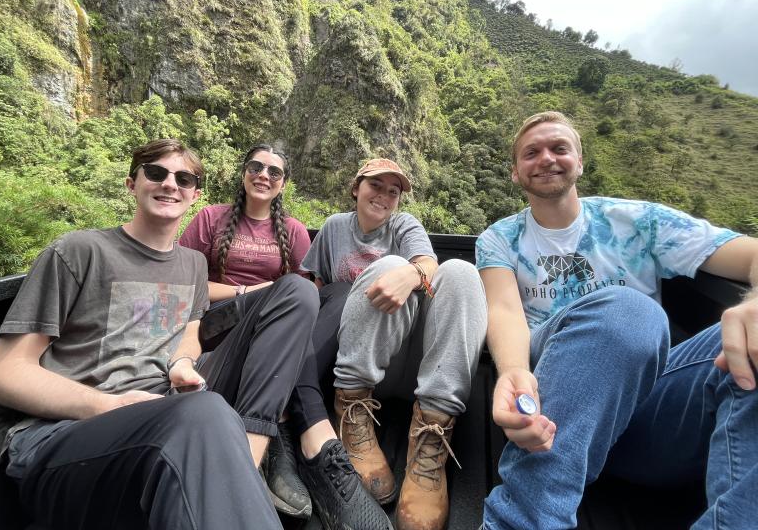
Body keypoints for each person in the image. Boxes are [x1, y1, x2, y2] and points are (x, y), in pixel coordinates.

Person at [0, 139, 288, 529]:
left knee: (212, 404)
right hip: (65, 435)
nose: (170, 184)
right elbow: (3, 373)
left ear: (195, 195)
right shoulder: (79, 250)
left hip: (162, 420)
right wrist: (109, 406)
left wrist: (181, 362)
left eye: (183, 178)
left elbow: (191, 328)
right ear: (132, 183)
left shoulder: (194, 264)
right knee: (207, 413)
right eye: (156, 173)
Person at [476, 111, 758, 529]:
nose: (546, 158)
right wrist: (514, 372)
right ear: (516, 173)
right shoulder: (499, 239)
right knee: (628, 310)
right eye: (531, 153)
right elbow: (504, 311)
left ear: (581, 161)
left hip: (652, 416)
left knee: (749, 342)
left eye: (559, 148)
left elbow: (751, 253)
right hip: (553, 417)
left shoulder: (637, 221)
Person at [180, 145, 392, 530]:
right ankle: (287, 432)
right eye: (256, 167)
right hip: (222, 329)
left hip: (277, 329)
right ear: (243, 173)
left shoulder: (293, 231)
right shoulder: (210, 218)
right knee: (294, 290)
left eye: (274, 172)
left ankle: (286, 421)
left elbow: (308, 294)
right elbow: (184, 283)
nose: (264, 175)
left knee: (340, 293)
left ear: (283, 184)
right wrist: (251, 292)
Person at [302, 158, 487, 530]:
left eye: (394, 191)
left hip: (413, 360)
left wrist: (410, 273)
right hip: (358, 363)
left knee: (461, 272)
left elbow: (429, 264)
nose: (384, 196)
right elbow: (316, 287)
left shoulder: (405, 225)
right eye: (376, 185)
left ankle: (431, 438)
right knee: (385, 267)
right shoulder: (334, 228)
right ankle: (350, 410)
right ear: (356, 188)